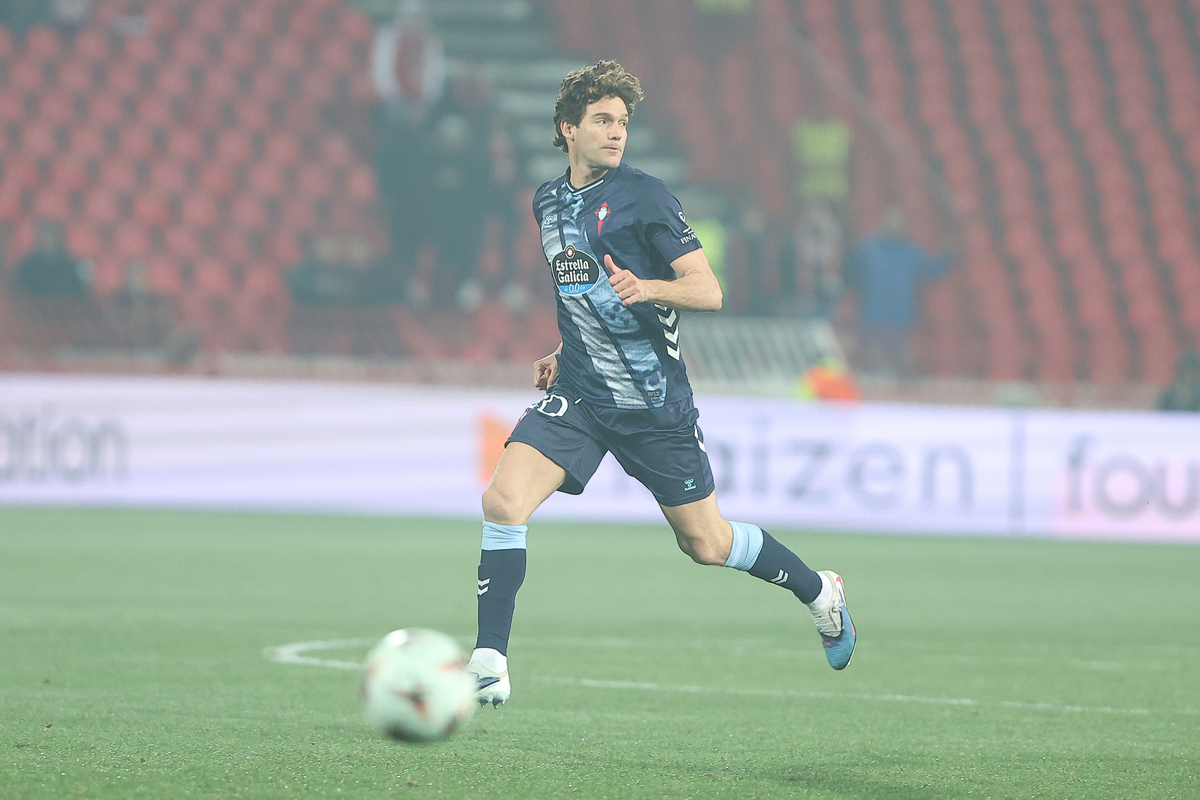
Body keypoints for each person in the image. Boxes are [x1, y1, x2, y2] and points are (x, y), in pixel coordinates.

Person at [466, 61, 856, 708]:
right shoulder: (547, 201)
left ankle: (819, 590)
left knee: (707, 543)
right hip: (585, 396)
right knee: (503, 502)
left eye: (623, 122)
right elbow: (581, 289)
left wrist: (649, 287)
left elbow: (709, 290)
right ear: (568, 128)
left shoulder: (645, 195)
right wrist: (565, 350)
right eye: (602, 120)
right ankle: (489, 660)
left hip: (653, 405)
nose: (616, 132)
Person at [844, 207, 952, 379]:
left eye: (898, 225)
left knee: (904, 368)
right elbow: (849, 274)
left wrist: (949, 251)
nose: (894, 228)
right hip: (872, 316)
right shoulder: (866, 250)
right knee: (873, 367)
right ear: (882, 225)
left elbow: (932, 271)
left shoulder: (911, 252)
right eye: (890, 224)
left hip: (900, 317)